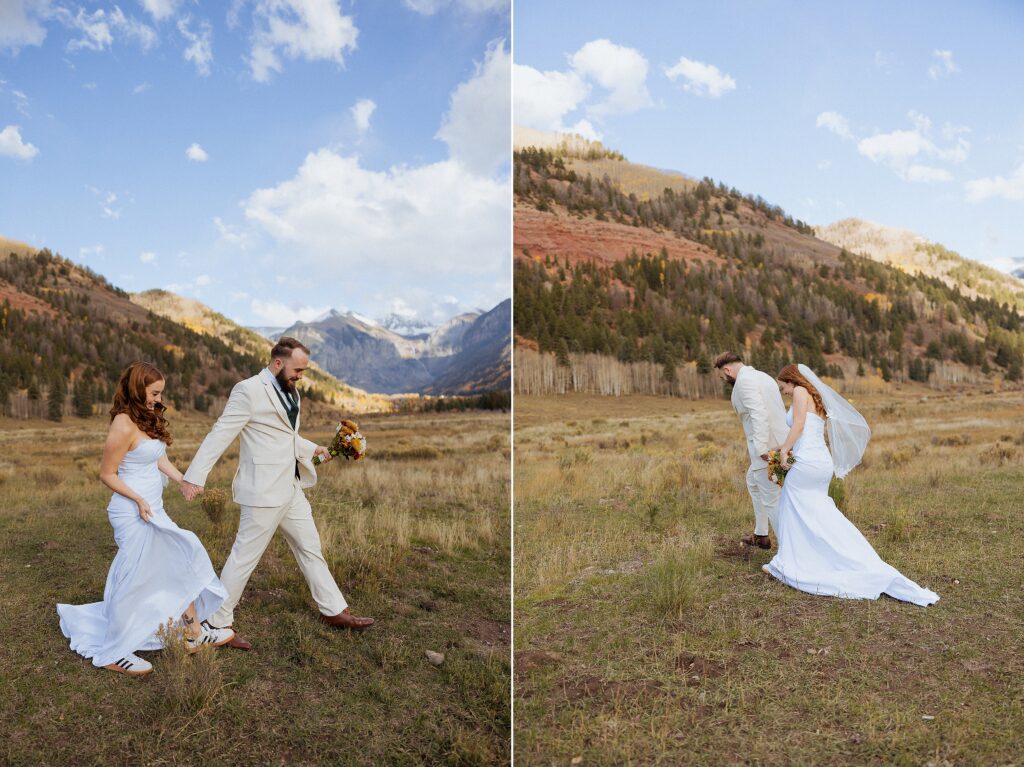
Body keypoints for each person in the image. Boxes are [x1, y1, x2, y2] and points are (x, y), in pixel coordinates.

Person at [180, 337, 374, 650]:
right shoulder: (248, 390)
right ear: (278, 363)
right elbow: (221, 433)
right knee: (244, 557)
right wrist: (194, 477)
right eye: (298, 369)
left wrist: (315, 449)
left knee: (310, 548)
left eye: (304, 370)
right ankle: (217, 622)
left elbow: (285, 437)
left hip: (290, 488)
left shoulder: (291, 391)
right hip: (262, 492)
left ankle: (334, 610)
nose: (301, 375)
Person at [57, 362, 234, 676]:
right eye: (154, 392)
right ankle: (113, 651)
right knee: (136, 576)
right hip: (131, 511)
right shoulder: (123, 424)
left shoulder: (146, 417)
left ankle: (194, 634)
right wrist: (137, 499)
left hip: (153, 508)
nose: (158, 398)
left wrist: (182, 481)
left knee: (178, 559)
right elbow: (106, 474)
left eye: (161, 392)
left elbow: (158, 457)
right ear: (138, 389)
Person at [762, 364, 939, 606]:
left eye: (781, 384)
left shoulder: (801, 392)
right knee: (818, 513)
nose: (781, 389)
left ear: (789, 379)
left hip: (807, 463)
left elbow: (799, 426)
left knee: (791, 508)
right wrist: (782, 449)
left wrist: (783, 450)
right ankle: (835, 555)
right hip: (820, 462)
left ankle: (788, 563)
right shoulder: (816, 398)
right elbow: (807, 432)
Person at [714, 352, 790, 549]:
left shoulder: (744, 382)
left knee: (772, 498)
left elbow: (759, 414)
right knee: (752, 481)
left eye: (723, 377)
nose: (725, 381)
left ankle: (788, 551)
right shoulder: (763, 376)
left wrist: (762, 448)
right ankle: (761, 534)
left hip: (769, 449)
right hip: (782, 443)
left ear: (727, 370)